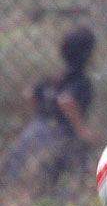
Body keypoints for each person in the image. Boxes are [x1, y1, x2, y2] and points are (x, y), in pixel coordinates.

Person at [0, 25, 98, 194]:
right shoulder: (80, 79)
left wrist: (43, 114)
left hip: (37, 126)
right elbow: (66, 101)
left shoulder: (56, 77)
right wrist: (83, 131)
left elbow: (30, 95)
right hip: (61, 132)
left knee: (15, 165)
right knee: (63, 171)